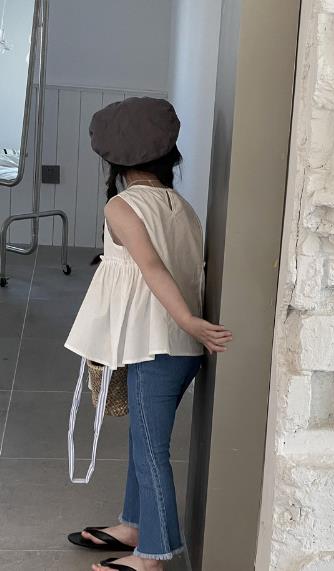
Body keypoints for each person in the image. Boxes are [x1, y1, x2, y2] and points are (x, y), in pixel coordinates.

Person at [64, 97, 233, 571]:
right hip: (175, 349)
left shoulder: (122, 207)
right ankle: (134, 524)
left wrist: (188, 321)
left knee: (151, 450)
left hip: (158, 344)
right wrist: (190, 326)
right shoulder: (182, 207)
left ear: (115, 160)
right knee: (144, 441)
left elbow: (153, 269)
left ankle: (152, 556)